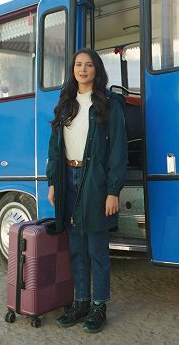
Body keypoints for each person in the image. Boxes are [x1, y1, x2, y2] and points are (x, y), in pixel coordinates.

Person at [46, 48, 128, 334]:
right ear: (73, 70)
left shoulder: (108, 104)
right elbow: (55, 148)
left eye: (89, 65)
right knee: (76, 248)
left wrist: (113, 191)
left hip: (95, 180)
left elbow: (118, 150)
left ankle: (99, 306)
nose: (83, 69)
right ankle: (80, 303)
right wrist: (53, 182)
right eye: (78, 65)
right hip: (67, 176)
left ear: (97, 70)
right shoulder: (66, 104)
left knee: (97, 249)